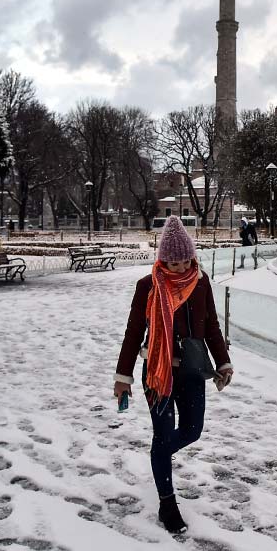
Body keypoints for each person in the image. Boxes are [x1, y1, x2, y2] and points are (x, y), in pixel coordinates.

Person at [114, 216, 233, 534]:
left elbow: (211, 326)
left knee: (192, 431)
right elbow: (133, 332)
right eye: (172, 262)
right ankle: (167, 504)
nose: (179, 268)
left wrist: (223, 362)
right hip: (157, 372)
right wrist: (122, 377)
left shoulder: (201, 282)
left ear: (192, 257)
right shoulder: (148, 287)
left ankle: (159, 456)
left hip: (192, 372)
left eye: (183, 261)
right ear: (162, 259)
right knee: (163, 435)